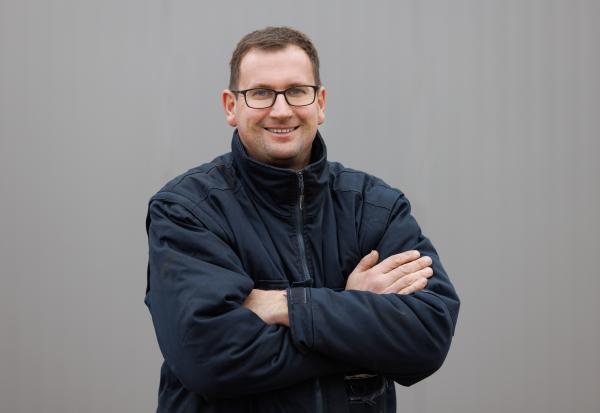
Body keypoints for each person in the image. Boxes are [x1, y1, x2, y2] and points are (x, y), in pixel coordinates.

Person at [145, 26, 460, 413]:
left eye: (296, 91)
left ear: (320, 103)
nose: (281, 110)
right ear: (231, 106)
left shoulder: (375, 207)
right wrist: (353, 312)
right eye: (261, 93)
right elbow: (208, 358)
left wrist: (286, 306)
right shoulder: (188, 210)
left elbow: (427, 335)